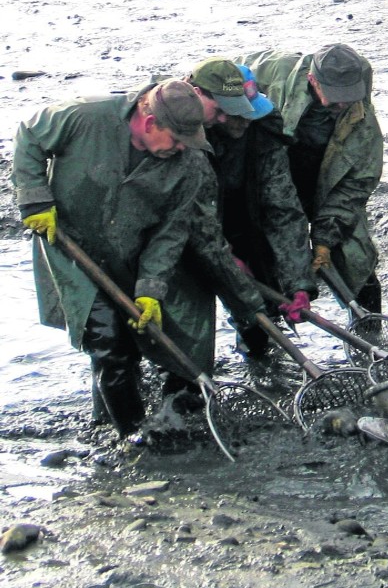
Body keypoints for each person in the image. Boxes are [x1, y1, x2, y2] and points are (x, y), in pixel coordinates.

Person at [11, 79, 263, 438]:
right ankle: (131, 436)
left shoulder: (188, 163)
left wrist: (150, 288)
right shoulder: (84, 116)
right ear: (149, 124)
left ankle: (123, 421)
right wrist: (35, 199)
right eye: (175, 139)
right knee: (109, 342)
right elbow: (29, 135)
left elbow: (170, 234)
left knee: (138, 339)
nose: (180, 148)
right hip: (70, 244)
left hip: (131, 250)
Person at [235, 44, 384, 313]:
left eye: (349, 96)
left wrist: (324, 239)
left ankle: (371, 329)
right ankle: (263, 340)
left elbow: (356, 185)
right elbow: (215, 83)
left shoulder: (361, 118)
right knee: (264, 259)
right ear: (312, 80)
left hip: (328, 178)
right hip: (271, 173)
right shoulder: (272, 71)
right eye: (336, 97)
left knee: (356, 258)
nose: (343, 104)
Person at [184, 57, 317, 356]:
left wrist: (299, 282)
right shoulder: (186, 135)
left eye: (250, 114)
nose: (245, 121)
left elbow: (282, 208)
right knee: (188, 320)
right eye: (236, 115)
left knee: (260, 313)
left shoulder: (263, 132)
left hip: (246, 221)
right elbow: (191, 214)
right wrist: (226, 256)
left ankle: (260, 361)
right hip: (192, 232)